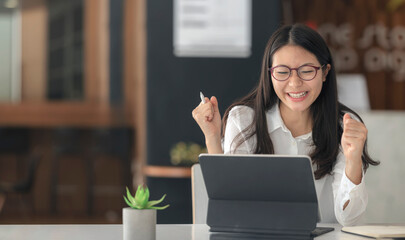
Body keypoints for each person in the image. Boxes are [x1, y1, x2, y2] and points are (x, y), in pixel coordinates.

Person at [192, 24, 379, 227]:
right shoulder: (244, 120)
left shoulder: (345, 125)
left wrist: (353, 161)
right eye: (282, 72)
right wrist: (212, 137)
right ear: (269, 74)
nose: (294, 83)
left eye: (306, 71)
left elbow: (349, 219)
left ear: (325, 72)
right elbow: (232, 203)